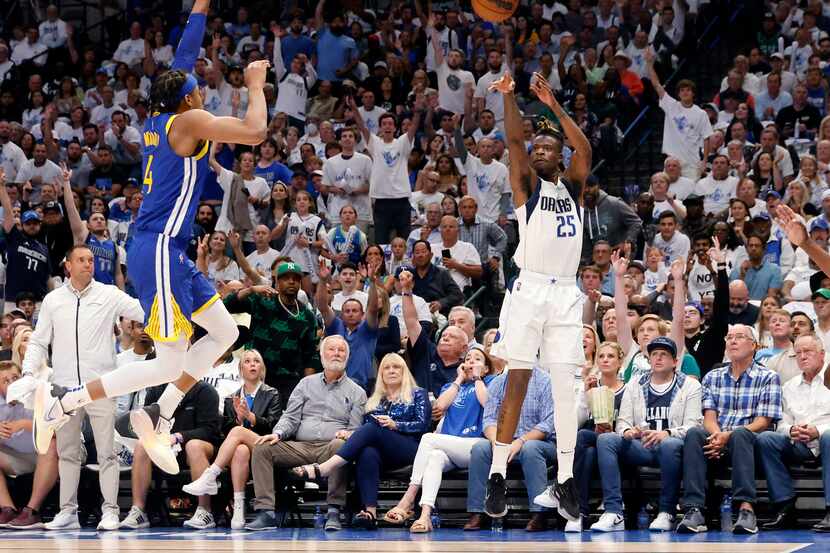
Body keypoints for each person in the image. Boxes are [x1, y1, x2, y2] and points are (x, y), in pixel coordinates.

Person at [32, 0, 266, 476]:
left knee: (224, 331)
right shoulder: (188, 122)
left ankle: (159, 414)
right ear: (186, 99)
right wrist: (256, 86)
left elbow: (184, 53)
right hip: (158, 245)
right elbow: (256, 131)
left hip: (166, 248)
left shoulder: (165, 113)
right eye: (197, 87)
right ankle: (67, 401)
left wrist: (200, 6)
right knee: (166, 362)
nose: (201, 88)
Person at [483, 69, 591, 523]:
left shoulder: (576, 188)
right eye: (537, 148)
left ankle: (565, 477)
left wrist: (552, 104)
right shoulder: (527, 188)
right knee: (519, 379)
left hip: (566, 291)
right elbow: (512, 146)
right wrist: (510, 100)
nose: (541, 151)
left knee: (567, 384)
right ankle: (495, 472)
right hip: (529, 288)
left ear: (560, 157)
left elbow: (585, 148)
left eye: (549, 148)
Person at [21, 244, 143, 531]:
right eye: (82, 260)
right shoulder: (52, 300)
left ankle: (110, 511)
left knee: (106, 453)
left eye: (90, 260)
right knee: (68, 452)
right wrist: (28, 372)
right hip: (63, 389)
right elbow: (39, 341)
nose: (88, 264)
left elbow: (140, 309)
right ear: (68, 266)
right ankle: (68, 512)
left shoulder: (109, 294)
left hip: (100, 385)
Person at [290, 353, 429, 530]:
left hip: (410, 448)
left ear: (405, 371)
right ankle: (369, 512)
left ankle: (325, 468)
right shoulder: (376, 399)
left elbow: (423, 425)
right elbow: (364, 431)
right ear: (381, 374)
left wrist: (396, 425)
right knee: (367, 451)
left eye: (397, 367)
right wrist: (350, 435)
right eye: (387, 367)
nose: (392, 371)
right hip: (384, 454)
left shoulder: (418, 394)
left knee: (372, 428)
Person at [244, 336, 365, 531]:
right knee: (263, 447)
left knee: (342, 446)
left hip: (331, 447)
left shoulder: (357, 392)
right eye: (331, 349)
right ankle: (266, 513)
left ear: (347, 357)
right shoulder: (305, 384)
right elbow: (290, 417)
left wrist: (348, 434)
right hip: (300, 447)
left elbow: (355, 429)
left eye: (341, 350)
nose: (336, 353)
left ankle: (333, 511)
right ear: (322, 354)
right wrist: (278, 433)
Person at [677, 324, 782, 535]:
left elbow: (763, 421)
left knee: (742, 434)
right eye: (729, 337)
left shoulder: (768, 376)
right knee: (695, 433)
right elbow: (709, 417)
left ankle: (746, 509)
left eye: (740, 337)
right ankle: (695, 509)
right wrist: (718, 436)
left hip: (749, 443)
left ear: (754, 346)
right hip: (717, 438)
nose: (732, 341)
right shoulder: (712, 377)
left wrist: (728, 436)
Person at [590, 337, 702, 532]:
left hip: (673, 447)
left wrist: (666, 433)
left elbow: (693, 426)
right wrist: (628, 432)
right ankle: (613, 512)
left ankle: (666, 512)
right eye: (654, 354)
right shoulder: (635, 383)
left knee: (669, 445)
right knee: (606, 439)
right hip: (641, 445)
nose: (658, 358)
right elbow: (623, 421)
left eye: (664, 355)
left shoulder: (690, 386)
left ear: (675, 361)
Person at [384, 347, 496, 532]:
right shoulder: (451, 386)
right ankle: (425, 515)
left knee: (428, 438)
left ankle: (408, 498)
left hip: (477, 445)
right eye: (468, 358)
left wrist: (477, 378)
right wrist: (459, 379)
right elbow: (441, 406)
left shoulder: (490, 382)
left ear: (485, 369)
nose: (471, 362)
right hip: (451, 447)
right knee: (434, 457)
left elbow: (488, 403)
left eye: (477, 359)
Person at [180, 350, 282, 529]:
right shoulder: (231, 398)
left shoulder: (272, 393)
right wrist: (239, 419)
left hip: (263, 445)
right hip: (239, 450)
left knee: (239, 435)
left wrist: (250, 417)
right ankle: (238, 508)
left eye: (256, 361)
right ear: (240, 369)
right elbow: (226, 431)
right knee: (240, 449)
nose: (252, 364)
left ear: (262, 368)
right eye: (248, 361)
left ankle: (211, 475)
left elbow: (273, 426)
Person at [463, 365, 556, 532]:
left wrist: (520, 441)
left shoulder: (545, 381)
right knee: (480, 448)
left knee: (531, 448)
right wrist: (497, 442)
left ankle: (539, 514)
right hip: (504, 441)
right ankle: (478, 512)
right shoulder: (498, 382)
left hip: (539, 442)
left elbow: (548, 423)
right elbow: (489, 420)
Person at [118, 380, 221, 529]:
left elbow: (210, 430)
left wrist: (179, 436)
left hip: (198, 445)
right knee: (142, 444)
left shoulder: (205, 391)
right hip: (164, 446)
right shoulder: (156, 391)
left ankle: (205, 511)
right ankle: (138, 511)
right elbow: (148, 426)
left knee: (194, 447)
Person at [757, 334, 830, 531]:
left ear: (822, 354)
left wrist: (819, 430)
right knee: (766, 439)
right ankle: (784, 506)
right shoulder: (789, 386)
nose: (802, 356)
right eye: (798, 353)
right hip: (800, 443)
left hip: (826, 441)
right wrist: (792, 430)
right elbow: (782, 422)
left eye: (808, 352)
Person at [224, 262, 319, 404]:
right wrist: (251, 290)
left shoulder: (307, 316)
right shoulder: (262, 300)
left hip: (288, 382)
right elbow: (226, 305)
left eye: (295, 278)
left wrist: (306, 387)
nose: (291, 281)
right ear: (277, 281)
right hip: (255, 375)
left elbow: (311, 355)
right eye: (286, 278)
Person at [567, 341, 625, 532]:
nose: (605, 360)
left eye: (610, 356)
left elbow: (633, 420)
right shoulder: (590, 387)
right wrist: (585, 395)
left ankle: (576, 509)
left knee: (584, 436)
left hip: (619, 441)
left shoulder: (629, 388)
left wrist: (613, 431)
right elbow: (575, 421)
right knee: (587, 444)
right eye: (601, 356)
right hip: (592, 441)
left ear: (620, 362)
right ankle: (580, 514)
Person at [351, 94, 423, 244]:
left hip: (401, 199)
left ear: (395, 128)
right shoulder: (375, 143)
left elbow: (413, 128)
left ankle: (405, 268)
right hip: (382, 200)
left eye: (391, 124)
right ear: (380, 127)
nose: (388, 126)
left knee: (404, 240)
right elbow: (361, 126)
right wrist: (353, 108)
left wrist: (417, 112)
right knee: (381, 241)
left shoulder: (402, 143)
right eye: (384, 124)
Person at [0, 361, 59, 531]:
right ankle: (7, 509)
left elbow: (59, 433)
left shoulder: (40, 393)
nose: (12, 384)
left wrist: (25, 424)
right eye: (5, 381)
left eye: (15, 378)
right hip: (20, 457)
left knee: (51, 444)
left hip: (55, 454)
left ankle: (31, 511)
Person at [646, 50, 712, 180]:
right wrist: (649, 64)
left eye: (688, 90)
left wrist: (704, 160)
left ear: (693, 93)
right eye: (682, 90)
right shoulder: (671, 105)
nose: (685, 92)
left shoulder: (701, 113)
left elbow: (707, 138)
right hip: (671, 161)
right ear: (678, 94)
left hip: (691, 162)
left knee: (690, 196)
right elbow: (657, 85)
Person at [317, 260, 379, 390]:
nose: (350, 314)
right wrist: (323, 281)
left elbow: (373, 309)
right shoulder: (336, 326)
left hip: (363, 385)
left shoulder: (367, 329)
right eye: (347, 311)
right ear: (342, 314)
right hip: (335, 384)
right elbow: (323, 306)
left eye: (355, 311)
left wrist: (372, 282)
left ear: (362, 314)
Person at [62, 166, 124, 289]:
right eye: (95, 219)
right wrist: (66, 182)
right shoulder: (83, 237)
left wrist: (122, 294)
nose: (99, 221)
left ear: (106, 225)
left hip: (107, 292)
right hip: (86, 289)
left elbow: (118, 274)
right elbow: (70, 208)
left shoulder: (114, 246)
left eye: (102, 219)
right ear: (88, 225)